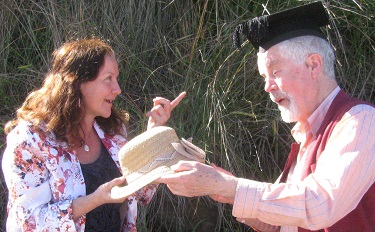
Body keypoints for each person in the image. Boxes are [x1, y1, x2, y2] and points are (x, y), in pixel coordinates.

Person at [157, 2, 375, 231]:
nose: (267, 87)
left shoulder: (361, 120)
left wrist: (230, 187)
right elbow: (285, 224)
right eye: (264, 77)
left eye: (275, 72)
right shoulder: (308, 135)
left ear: (313, 65)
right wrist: (220, 188)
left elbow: (319, 205)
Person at [1, 38, 186, 232]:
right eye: (108, 79)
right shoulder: (30, 141)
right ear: (77, 82)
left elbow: (140, 193)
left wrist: (153, 134)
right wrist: (94, 200)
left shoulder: (112, 132)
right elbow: (27, 222)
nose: (117, 89)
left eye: (116, 78)